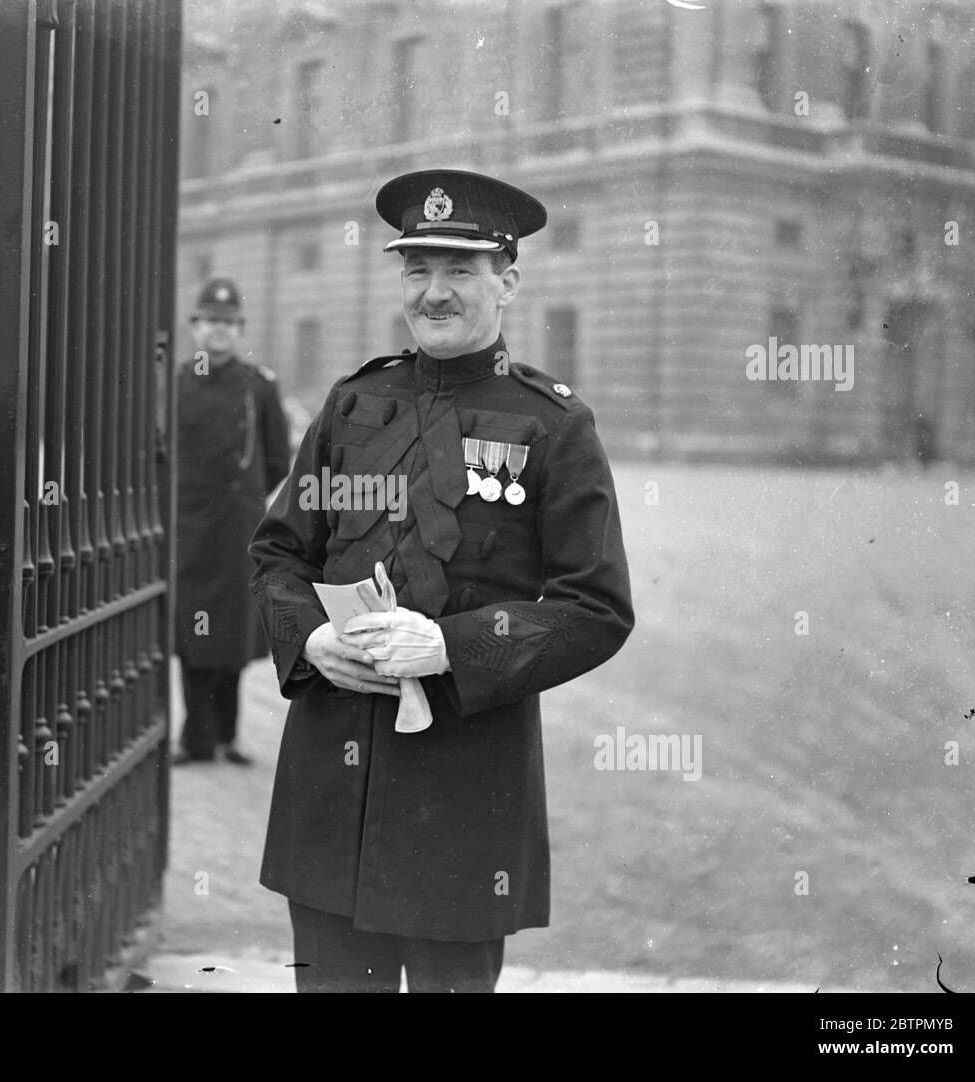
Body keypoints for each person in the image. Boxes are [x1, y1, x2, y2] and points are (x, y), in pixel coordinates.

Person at [248, 169, 634, 991]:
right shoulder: (353, 406)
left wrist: (449, 646)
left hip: (461, 797)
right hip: (330, 782)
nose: (435, 293)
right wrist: (310, 638)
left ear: (508, 282)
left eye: (460, 270)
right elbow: (279, 554)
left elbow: (595, 607)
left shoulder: (554, 426)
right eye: (418, 270)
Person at [173, 277, 290, 766]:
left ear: (239, 329)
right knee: (192, 631)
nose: (218, 331)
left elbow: (279, 459)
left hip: (239, 527)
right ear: (194, 327)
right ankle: (195, 739)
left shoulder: (259, 386)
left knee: (232, 631)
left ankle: (228, 735)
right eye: (209, 322)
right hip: (189, 524)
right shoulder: (176, 382)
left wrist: (244, 500)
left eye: (227, 323)